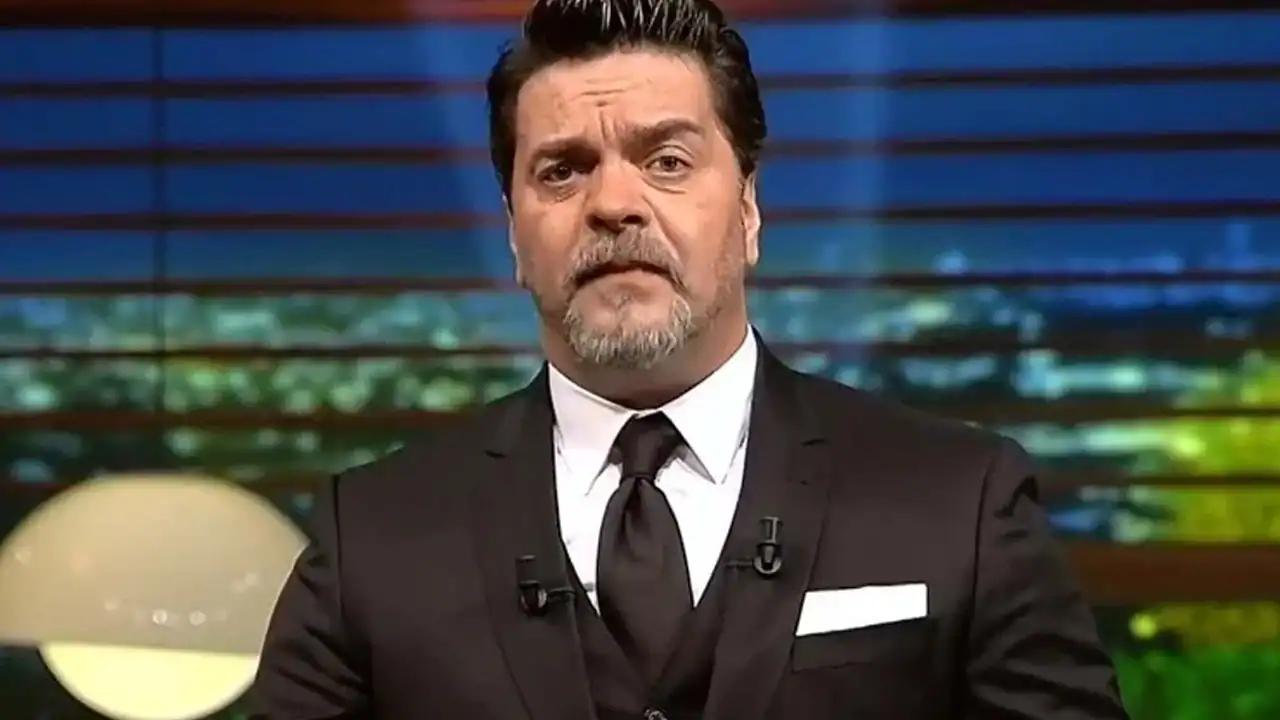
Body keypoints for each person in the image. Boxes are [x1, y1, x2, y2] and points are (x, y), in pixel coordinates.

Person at [248, 0, 1130, 717]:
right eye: (561, 172)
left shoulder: (960, 503)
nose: (613, 204)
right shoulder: (371, 542)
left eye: (666, 160)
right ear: (515, 235)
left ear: (748, 211)